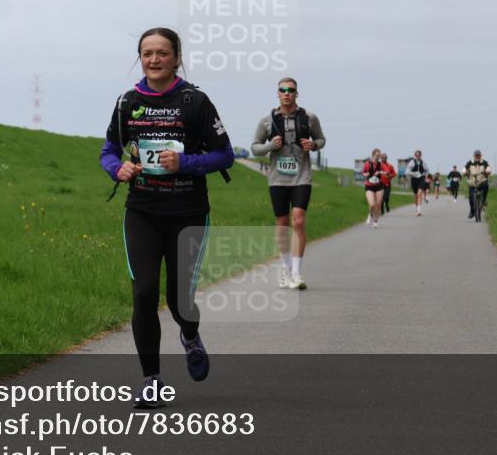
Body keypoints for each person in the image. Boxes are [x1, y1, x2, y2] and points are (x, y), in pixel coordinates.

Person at [100, 27, 234, 408]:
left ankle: (190, 336)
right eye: (147, 53)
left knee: (179, 300)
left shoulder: (195, 101)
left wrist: (187, 162)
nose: (154, 59)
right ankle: (151, 380)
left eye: (162, 53)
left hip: (188, 213)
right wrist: (117, 169)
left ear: (177, 57)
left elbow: (224, 155)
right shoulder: (128, 102)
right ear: (140, 58)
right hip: (142, 211)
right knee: (143, 294)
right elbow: (109, 149)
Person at [251, 78, 327, 290]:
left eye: (291, 90)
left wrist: (313, 145)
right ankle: (285, 269)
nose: (287, 93)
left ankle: (296, 273)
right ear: (277, 93)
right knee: (282, 224)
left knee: (299, 221)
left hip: (302, 176)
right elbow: (254, 147)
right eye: (283, 90)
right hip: (277, 179)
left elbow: (321, 140)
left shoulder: (309, 118)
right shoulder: (267, 121)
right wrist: (269, 146)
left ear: (296, 93)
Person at [463, 150, 493, 220]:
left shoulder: (484, 162)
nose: (477, 156)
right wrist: (464, 172)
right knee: (471, 197)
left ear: (481, 156)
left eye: (478, 155)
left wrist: (488, 170)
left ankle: (484, 200)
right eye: (476, 155)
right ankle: (472, 211)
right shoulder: (469, 163)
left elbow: (488, 168)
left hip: (482, 181)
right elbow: (464, 168)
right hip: (472, 182)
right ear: (473, 156)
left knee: (486, 185)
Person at [362, 148, 386, 228]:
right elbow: (363, 173)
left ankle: (375, 222)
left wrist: (380, 172)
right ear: (373, 155)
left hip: (379, 186)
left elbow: (386, 172)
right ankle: (370, 215)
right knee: (372, 204)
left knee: (378, 205)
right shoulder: (368, 164)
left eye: (379, 156)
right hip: (369, 186)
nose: (378, 157)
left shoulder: (381, 164)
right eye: (377, 155)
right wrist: (366, 174)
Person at [406, 150, 428, 216]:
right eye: (416, 155)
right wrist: (413, 173)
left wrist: (425, 175)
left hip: (421, 179)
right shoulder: (412, 162)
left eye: (419, 155)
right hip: (414, 180)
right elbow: (407, 171)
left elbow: (427, 170)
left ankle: (419, 210)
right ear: (415, 155)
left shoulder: (423, 163)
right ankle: (416, 208)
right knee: (415, 195)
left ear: (421, 156)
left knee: (419, 194)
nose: (418, 156)